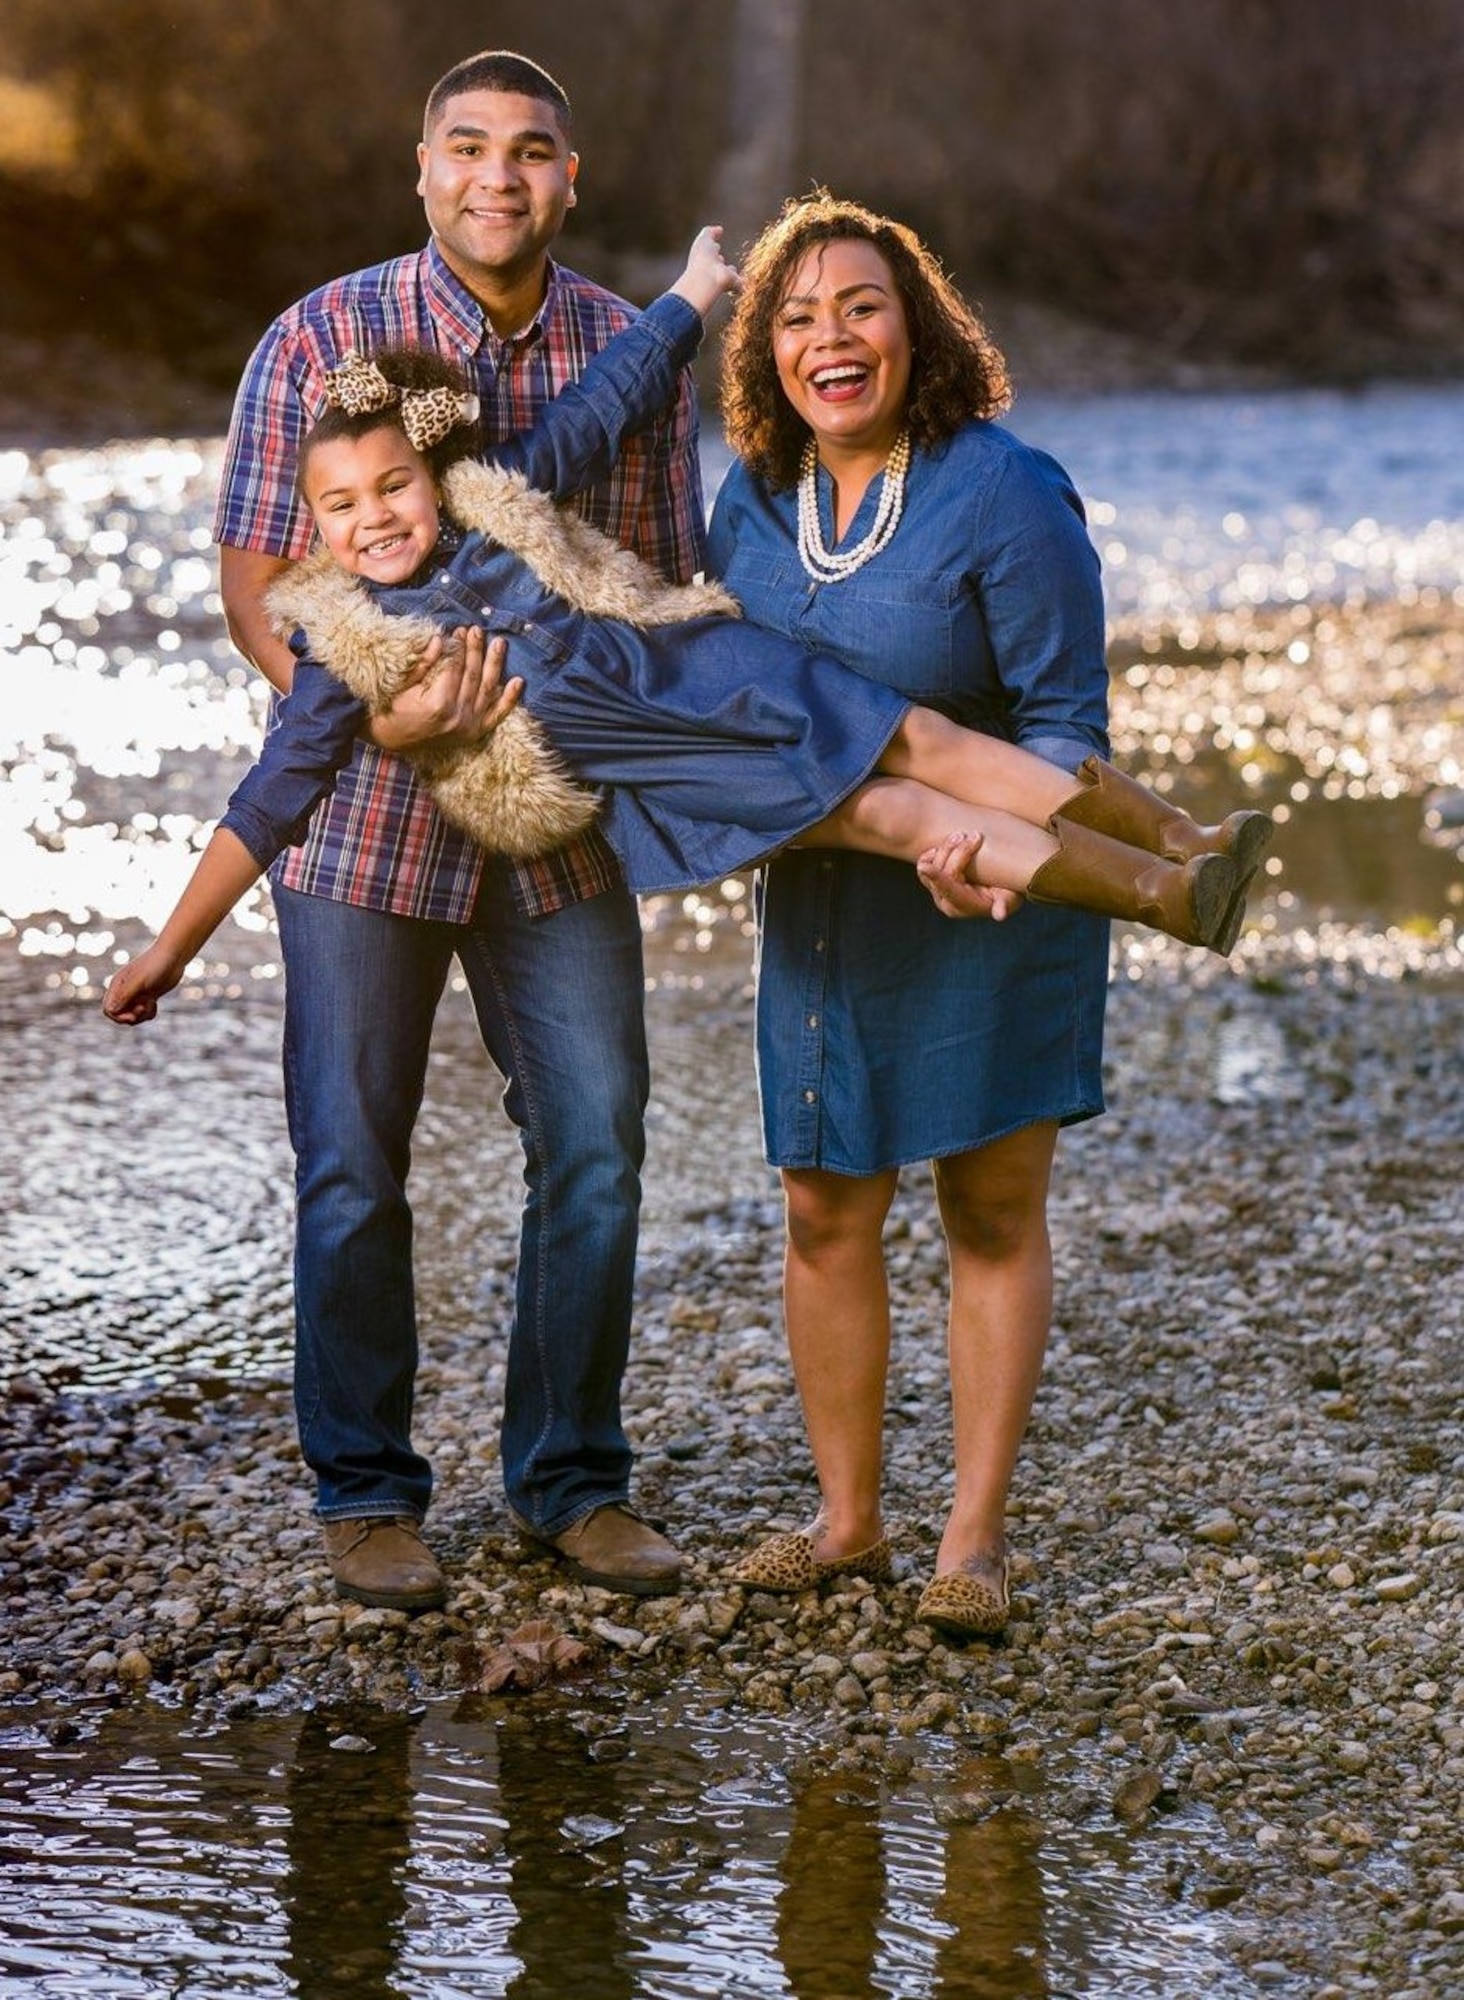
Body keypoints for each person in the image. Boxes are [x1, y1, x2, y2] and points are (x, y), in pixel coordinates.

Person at [104, 317, 1272, 1027]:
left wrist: (692, 299)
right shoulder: (340, 648)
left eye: (395, 486)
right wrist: (171, 947)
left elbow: (594, 412)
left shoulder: (488, 506)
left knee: (931, 741)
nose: (378, 519)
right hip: (660, 757)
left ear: (432, 470)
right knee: (899, 809)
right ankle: (1162, 899)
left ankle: (1183, 844)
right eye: (342, 507)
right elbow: (268, 803)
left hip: (711, 659)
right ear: (309, 524)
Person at [705, 193, 1270, 1638]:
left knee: (990, 1206)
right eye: (796, 316)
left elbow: (1068, 723)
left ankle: (973, 1541)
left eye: (861, 306)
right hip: (828, 897)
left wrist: (994, 850)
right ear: (765, 352)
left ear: (919, 326)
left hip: (1001, 887)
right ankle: (846, 1526)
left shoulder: (1006, 490)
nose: (829, 338)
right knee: (824, 1204)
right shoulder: (748, 505)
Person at [206, 50, 707, 1612]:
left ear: (573, 180)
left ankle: (570, 1479)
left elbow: (660, 581)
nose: (501, 176)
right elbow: (254, 585)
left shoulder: (629, 348)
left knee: (600, 1137)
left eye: (533, 152)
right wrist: (385, 707)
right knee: (352, 1162)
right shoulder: (319, 339)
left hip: (552, 824)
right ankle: (367, 1495)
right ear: (422, 171)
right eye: (470, 149)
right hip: (361, 822)